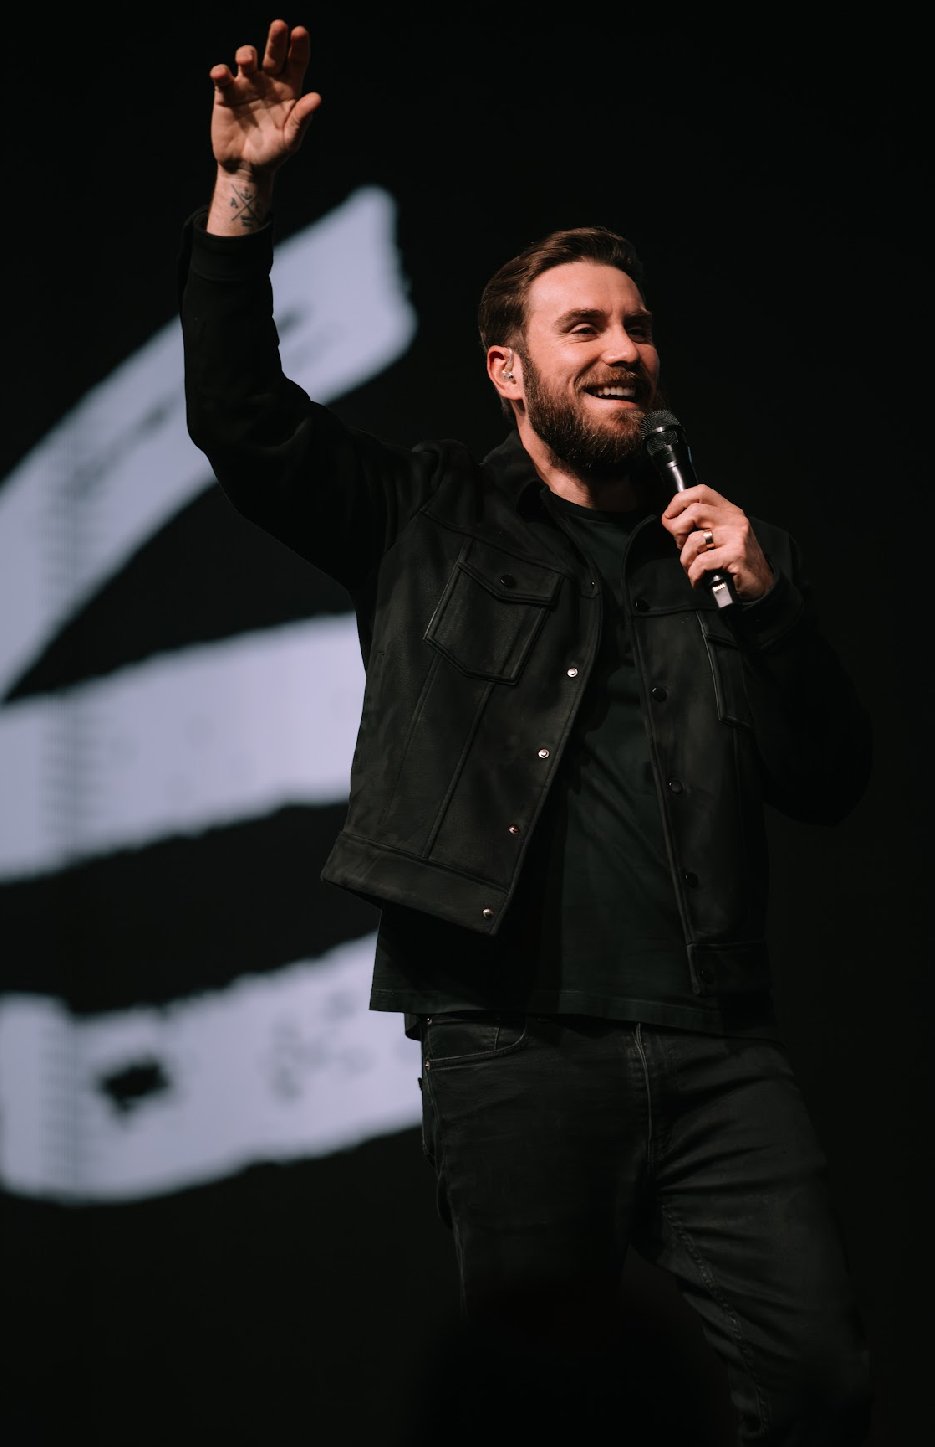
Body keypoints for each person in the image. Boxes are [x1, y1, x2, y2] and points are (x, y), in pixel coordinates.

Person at [179, 18, 874, 1445]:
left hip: (717, 1046)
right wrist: (242, 192)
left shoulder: (726, 557)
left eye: (639, 327)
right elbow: (242, 418)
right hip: (514, 1042)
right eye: (586, 328)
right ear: (510, 371)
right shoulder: (426, 515)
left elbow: (830, 777)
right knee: (540, 1415)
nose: (625, 350)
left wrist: (772, 608)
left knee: (818, 1384)